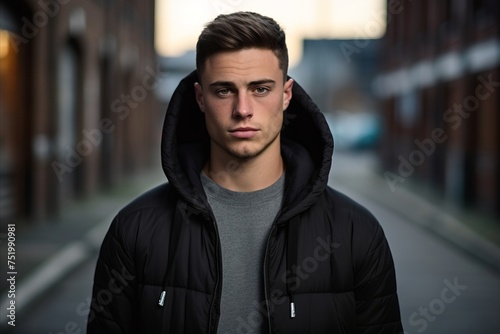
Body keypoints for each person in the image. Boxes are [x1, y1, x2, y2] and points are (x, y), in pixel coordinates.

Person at [87, 11, 403, 333]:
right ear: (200, 98)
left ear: (286, 95)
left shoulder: (355, 233)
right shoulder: (135, 229)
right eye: (224, 90)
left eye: (260, 89)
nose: (242, 109)